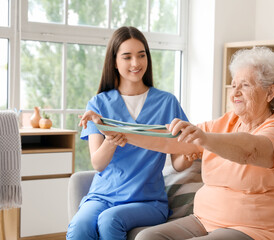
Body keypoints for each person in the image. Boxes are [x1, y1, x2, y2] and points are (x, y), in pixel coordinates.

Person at [80, 46, 274, 240]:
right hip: (206, 220)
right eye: (233, 85)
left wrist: (204, 138)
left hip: (257, 228)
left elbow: (249, 149)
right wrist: (112, 128)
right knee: (147, 237)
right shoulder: (224, 123)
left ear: (270, 92)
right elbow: (170, 142)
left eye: (245, 85)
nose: (235, 93)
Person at [66, 26, 193, 240]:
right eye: (127, 57)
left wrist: (188, 157)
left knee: (110, 220)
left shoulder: (167, 103)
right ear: (114, 61)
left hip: (147, 201)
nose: (136, 63)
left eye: (141, 55)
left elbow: (177, 161)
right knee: (79, 226)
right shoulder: (98, 104)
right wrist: (110, 140)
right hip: (102, 196)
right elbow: (98, 163)